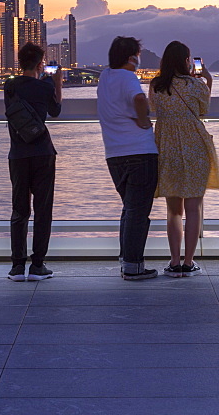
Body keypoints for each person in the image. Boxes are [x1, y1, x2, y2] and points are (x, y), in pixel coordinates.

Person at [150, 41, 219, 277]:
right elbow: (204, 110)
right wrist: (207, 80)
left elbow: (154, 110)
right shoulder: (196, 85)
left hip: (167, 148)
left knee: (173, 211)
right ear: (186, 61)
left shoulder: (157, 86)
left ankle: (173, 261)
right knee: (193, 208)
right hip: (195, 147)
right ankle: (189, 262)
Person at [97, 36, 158, 281]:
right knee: (138, 212)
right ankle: (134, 266)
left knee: (129, 209)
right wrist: (144, 121)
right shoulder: (127, 77)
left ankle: (126, 260)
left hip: (114, 154)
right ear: (132, 57)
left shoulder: (105, 77)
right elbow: (140, 98)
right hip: (139, 152)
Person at [4, 43, 62, 281]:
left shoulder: (10, 86)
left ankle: (17, 266)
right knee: (42, 210)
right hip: (43, 153)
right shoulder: (45, 86)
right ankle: (37, 265)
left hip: (18, 154)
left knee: (19, 210)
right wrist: (56, 81)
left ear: (19, 63)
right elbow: (56, 111)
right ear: (41, 64)